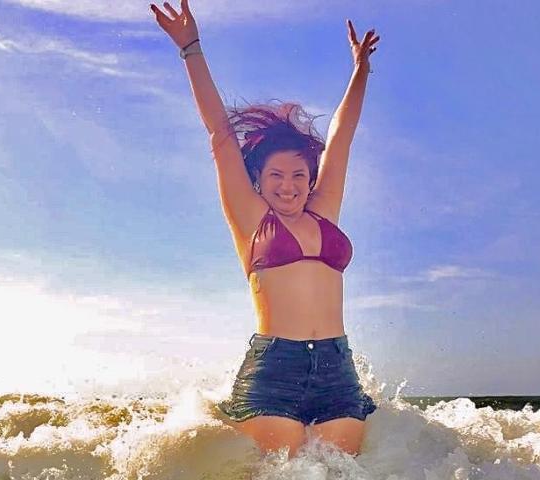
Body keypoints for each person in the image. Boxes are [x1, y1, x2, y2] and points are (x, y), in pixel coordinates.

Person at [151, 0, 380, 459]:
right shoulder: (253, 219)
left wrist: (360, 70)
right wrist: (190, 47)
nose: (288, 185)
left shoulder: (324, 212)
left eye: (298, 175)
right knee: (282, 465)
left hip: (336, 367)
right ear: (258, 180)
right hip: (276, 366)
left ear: (310, 179)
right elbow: (220, 133)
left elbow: (341, 138)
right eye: (276, 175)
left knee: (342, 469)